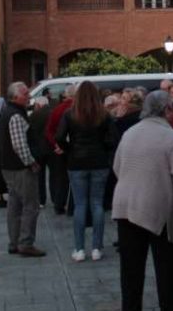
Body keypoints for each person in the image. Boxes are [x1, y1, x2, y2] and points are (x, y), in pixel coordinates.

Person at [112, 90, 173, 311]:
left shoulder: (130, 132)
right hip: (158, 210)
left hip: (126, 206)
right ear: (166, 110)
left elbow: (117, 167)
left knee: (130, 271)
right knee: (166, 271)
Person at [56, 81, 118, 262]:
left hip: (76, 162)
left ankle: (79, 248)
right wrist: (103, 148)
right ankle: (97, 248)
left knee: (80, 205)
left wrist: (69, 149)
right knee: (97, 204)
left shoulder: (70, 114)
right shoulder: (104, 115)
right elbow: (114, 139)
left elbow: (59, 137)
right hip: (99, 162)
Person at [0, 81, 46, 257]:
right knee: (30, 206)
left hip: (9, 166)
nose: (28, 97)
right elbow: (19, 144)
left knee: (15, 204)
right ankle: (25, 242)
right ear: (16, 96)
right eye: (25, 94)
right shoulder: (16, 115)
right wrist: (31, 162)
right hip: (19, 167)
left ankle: (14, 241)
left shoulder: (7, 111)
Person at [45, 85, 76, 214]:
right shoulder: (77, 109)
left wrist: (57, 145)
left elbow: (49, 131)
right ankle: (72, 207)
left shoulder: (57, 109)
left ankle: (59, 204)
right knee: (75, 178)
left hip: (59, 148)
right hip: (74, 149)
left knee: (61, 178)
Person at [28, 96, 54, 207]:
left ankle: (41, 200)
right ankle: (56, 199)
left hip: (38, 149)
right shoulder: (53, 113)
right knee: (55, 175)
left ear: (38, 105)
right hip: (52, 149)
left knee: (40, 176)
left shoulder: (33, 116)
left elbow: (29, 133)